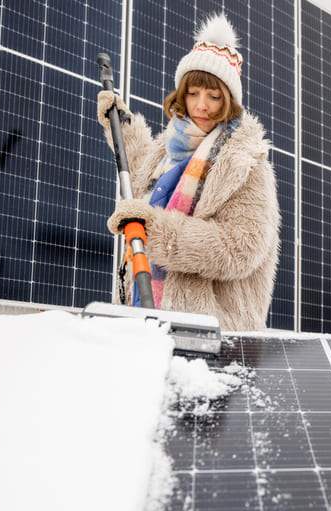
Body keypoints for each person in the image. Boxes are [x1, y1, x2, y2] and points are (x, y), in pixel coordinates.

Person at [96, 13, 279, 331]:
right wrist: (121, 125)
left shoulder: (246, 164)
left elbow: (240, 247)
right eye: (193, 93)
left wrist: (155, 231)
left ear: (229, 102)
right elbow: (144, 182)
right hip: (146, 312)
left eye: (213, 96)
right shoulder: (170, 152)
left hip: (212, 330)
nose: (201, 105)